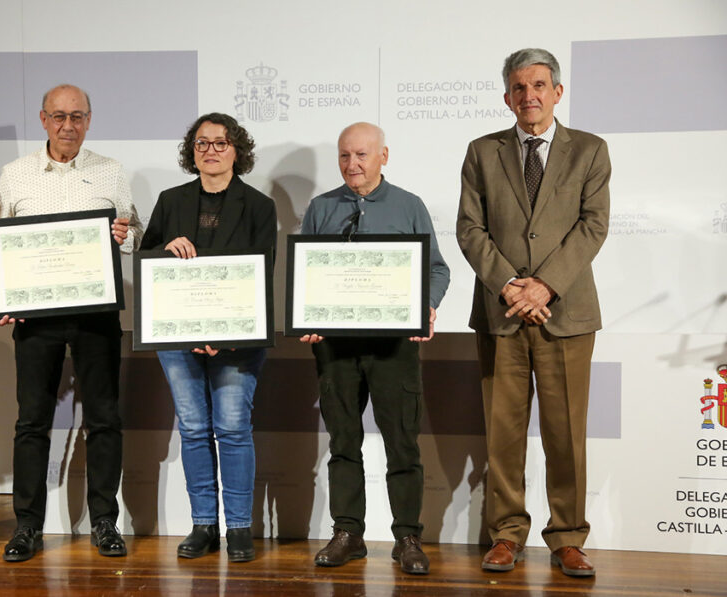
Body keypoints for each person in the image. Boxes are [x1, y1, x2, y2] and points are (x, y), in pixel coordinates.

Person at [455, 48, 610, 578]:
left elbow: (593, 225)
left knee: (567, 434)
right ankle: (506, 534)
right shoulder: (481, 151)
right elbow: (469, 229)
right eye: (519, 88)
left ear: (557, 92)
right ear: (507, 97)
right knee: (503, 434)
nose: (530, 96)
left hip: (565, 315)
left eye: (539, 86)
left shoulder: (590, 150)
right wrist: (510, 287)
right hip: (502, 316)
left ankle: (567, 537)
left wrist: (544, 287)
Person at [0, 84, 142, 561]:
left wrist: (123, 232)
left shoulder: (111, 172)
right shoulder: (15, 176)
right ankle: (27, 527)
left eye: (77, 116)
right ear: (42, 119)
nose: (68, 125)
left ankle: (104, 523)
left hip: (97, 315)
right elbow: (0, 242)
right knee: (31, 422)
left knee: (105, 420)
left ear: (89, 120)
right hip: (35, 318)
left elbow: (135, 232)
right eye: (58, 116)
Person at [299, 122, 449, 575]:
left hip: (393, 348)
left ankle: (407, 537)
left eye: (362, 155)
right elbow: (305, 274)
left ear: (384, 156)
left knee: (402, 443)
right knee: (344, 443)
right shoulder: (321, 208)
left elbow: (437, 270)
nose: (352, 165)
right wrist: (304, 315)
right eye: (345, 156)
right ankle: (348, 533)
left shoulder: (409, 205)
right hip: (336, 349)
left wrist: (427, 305)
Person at [140, 112, 276, 563]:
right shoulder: (170, 199)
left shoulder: (258, 205)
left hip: (237, 341)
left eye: (221, 143)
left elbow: (263, 275)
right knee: (195, 430)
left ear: (237, 150)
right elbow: (148, 261)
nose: (211, 150)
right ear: (191, 151)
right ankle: (203, 524)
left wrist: (226, 334)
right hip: (177, 338)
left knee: (233, 428)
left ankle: (238, 527)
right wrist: (163, 250)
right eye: (202, 143)